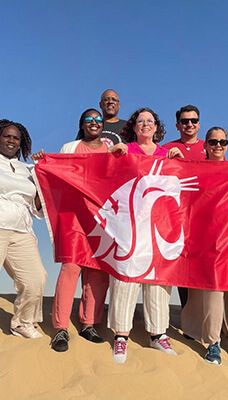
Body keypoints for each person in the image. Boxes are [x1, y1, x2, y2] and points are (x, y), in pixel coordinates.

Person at [108, 107, 183, 364]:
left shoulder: (167, 153)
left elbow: (182, 182)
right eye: (140, 121)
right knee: (126, 277)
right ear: (134, 126)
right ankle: (121, 335)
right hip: (131, 226)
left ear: (156, 126)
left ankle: (158, 333)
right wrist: (114, 155)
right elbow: (107, 174)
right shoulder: (126, 150)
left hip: (159, 226)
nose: (145, 124)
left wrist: (178, 158)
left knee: (158, 279)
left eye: (150, 121)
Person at [33, 109, 109, 352]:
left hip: (101, 219)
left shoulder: (109, 148)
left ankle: (88, 323)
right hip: (73, 218)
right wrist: (45, 161)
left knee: (97, 272)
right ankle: (60, 328)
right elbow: (58, 174)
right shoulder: (69, 147)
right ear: (82, 124)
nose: (94, 123)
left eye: (98, 120)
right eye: (89, 120)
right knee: (70, 269)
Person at [181, 127, 228, 365]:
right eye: (213, 141)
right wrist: (176, 164)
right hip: (200, 236)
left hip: (224, 239)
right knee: (199, 285)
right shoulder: (196, 170)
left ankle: (214, 342)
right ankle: (197, 330)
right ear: (206, 145)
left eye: (223, 141)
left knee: (216, 286)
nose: (218, 145)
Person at [0, 119, 47, 339]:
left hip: (22, 231)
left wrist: (44, 171)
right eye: (6, 136)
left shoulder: (28, 169)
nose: (11, 140)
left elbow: (37, 207)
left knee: (35, 279)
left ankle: (22, 323)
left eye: (15, 138)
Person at [163, 105, 206, 308]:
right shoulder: (168, 148)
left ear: (199, 124)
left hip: (203, 215)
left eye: (194, 121)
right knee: (181, 264)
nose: (190, 124)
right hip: (177, 216)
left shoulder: (210, 146)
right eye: (185, 121)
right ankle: (187, 315)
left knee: (202, 264)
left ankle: (202, 318)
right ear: (178, 125)